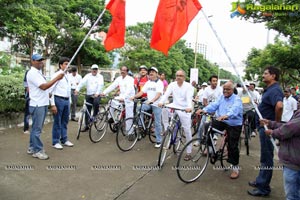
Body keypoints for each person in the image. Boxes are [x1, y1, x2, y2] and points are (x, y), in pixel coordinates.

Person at [248, 66, 283, 197]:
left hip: (268, 129)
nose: (263, 75)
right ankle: (260, 181)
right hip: (264, 128)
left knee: (267, 158)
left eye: (265, 73)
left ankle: (264, 188)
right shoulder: (270, 89)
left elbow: (279, 106)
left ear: (273, 76)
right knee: (264, 157)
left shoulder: (275, 90)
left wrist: (275, 125)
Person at [196, 81, 243, 179]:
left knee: (232, 145)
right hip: (222, 120)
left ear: (233, 90)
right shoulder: (221, 97)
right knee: (208, 126)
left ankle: (235, 168)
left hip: (233, 123)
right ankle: (210, 149)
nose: (225, 91)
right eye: (224, 89)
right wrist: (204, 110)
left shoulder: (237, 99)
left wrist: (226, 115)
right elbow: (214, 105)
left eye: (228, 89)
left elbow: (234, 110)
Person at [26, 53, 64, 160]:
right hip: (38, 104)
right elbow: (43, 86)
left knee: (35, 128)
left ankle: (32, 147)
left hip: (40, 103)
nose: (41, 62)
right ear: (32, 61)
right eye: (38, 60)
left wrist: (48, 93)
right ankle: (38, 150)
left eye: (41, 60)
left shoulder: (38, 73)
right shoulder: (32, 73)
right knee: (37, 129)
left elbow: (43, 88)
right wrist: (57, 78)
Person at [260, 110, 300, 200]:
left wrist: (272, 132)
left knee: (292, 196)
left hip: (294, 164)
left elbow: (287, 129)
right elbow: (290, 126)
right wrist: (271, 123)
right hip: (294, 161)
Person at [158, 70, 193, 160]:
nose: (178, 77)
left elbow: (189, 98)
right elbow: (166, 94)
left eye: (181, 75)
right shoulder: (172, 85)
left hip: (184, 109)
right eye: (177, 75)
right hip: (174, 105)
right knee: (164, 109)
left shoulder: (188, 86)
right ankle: (166, 128)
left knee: (187, 130)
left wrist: (189, 107)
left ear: (184, 77)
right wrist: (161, 102)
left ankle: (189, 152)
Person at [131, 67, 163, 148]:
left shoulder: (159, 83)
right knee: (139, 108)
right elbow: (142, 92)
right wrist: (134, 96)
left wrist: (152, 100)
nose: (151, 73)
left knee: (157, 123)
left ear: (156, 73)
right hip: (148, 103)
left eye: (153, 72)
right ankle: (141, 126)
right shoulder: (148, 82)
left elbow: (158, 94)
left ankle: (159, 140)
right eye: (150, 72)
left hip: (157, 104)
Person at [49, 57, 74, 150]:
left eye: (68, 64)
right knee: (57, 122)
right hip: (58, 100)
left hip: (66, 100)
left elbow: (68, 90)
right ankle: (55, 141)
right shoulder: (57, 75)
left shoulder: (68, 76)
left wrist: (70, 101)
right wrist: (52, 104)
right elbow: (51, 90)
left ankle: (64, 139)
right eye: (65, 64)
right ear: (60, 65)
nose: (67, 66)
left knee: (65, 121)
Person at [194, 75, 223, 146]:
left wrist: (215, 111)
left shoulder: (220, 90)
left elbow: (221, 102)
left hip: (217, 111)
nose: (215, 82)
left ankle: (215, 137)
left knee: (216, 124)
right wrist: (209, 109)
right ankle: (198, 140)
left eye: (216, 81)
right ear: (210, 82)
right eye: (213, 81)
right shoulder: (207, 89)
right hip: (208, 111)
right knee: (202, 125)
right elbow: (204, 101)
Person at [74, 64, 104, 131]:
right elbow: (82, 82)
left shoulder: (100, 77)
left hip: (96, 94)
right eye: (93, 69)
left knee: (96, 103)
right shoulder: (88, 76)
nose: (94, 70)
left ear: (97, 70)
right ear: (91, 69)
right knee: (87, 109)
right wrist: (77, 89)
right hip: (89, 94)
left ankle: (95, 116)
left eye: (96, 69)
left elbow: (100, 85)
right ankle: (86, 125)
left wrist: (97, 93)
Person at [23, 70, 30, 134]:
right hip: (29, 97)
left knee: (36, 114)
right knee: (27, 113)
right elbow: (26, 84)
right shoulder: (28, 72)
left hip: (37, 98)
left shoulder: (39, 72)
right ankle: (26, 129)